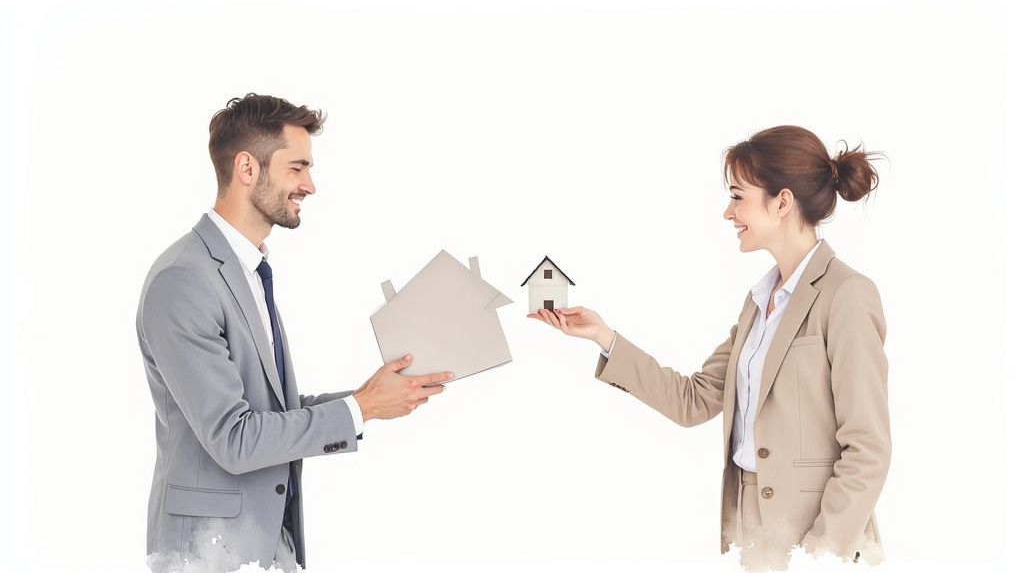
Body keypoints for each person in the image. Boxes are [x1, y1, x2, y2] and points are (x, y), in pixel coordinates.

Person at [529, 125, 890, 570]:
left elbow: (867, 450)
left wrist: (816, 558)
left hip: (817, 542)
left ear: (781, 201)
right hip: (751, 535)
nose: (727, 212)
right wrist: (604, 337)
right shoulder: (759, 302)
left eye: (738, 196)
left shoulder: (847, 294)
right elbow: (694, 400)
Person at [136, 93, 451, 572]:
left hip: (266, 546)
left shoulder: (248, 268)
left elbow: (271, 413)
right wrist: (362, 407)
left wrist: (375, 397)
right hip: (207, 554)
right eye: (297, 168)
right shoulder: (184, 280)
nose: (311, 185)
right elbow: (234, 438)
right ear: (247, 167)